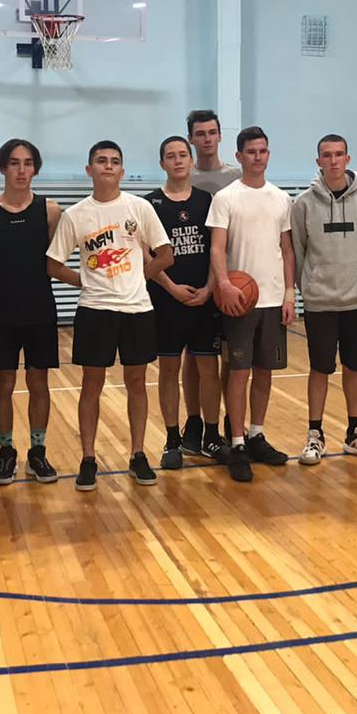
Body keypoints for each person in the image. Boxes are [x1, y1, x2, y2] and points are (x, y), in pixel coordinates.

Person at [45, 141, 174, 491]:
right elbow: (53, 265)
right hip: (95, 310)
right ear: (90, 170)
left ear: (122, 170)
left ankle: (137, 454)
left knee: (137, 383)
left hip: (136, 309)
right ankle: (88, 458)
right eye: (101, 161)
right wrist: (85, 280)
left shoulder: (140, 207)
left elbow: (166, 255)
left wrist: (138, 278)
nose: (108, 166)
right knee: (92, 384)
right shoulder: (76, 215)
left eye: (114, 161)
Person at [0, 138, 62, 485]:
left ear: (35, 168)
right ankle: (7, 451)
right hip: (0, 312)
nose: (21, 170)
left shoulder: (50, 210)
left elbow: (53, 260)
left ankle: (38, 452)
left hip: (39, 308)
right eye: (14, 163)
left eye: (28, 163)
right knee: (4, 383)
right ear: (2, 167)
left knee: (39, 381)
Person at [291, 135, 357, 465]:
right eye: (327, 155)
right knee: (320, 369)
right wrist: (310, 286)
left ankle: (355, 433)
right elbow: (299, 252)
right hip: (320, 301)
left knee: (354, 367)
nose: (333, 160)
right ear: (318, 161)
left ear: (348, 159)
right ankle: (315, 434)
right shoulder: (303, 204)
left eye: (339, 154)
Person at [208, 126, 296, 482]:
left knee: (264, 371)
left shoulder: (281, 198)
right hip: (240, 301)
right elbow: (217, 248)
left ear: (268, 155)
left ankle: (257, 434)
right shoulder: (226, 197)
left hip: (273, 300)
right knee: (238, 372)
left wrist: (289, 294)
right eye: (251, 151)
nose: (258, 157)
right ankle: (238, 441)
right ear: (239, 156)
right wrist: (224, 284)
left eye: (263, 151)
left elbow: (287, 250)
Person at [145, 136, 226, 469]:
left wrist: (209, 288)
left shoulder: (208, 201)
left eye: (182, 155)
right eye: (171, 156)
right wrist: (172, 288)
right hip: (166, 301)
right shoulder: (149, 204)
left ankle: (211, 435)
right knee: (168, 369)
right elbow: (147, 255)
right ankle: (172, 439)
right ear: (162, 163)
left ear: (191, 161)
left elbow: (217, 250)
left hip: (204, 301)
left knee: (208, 368)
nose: (178, 160)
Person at [184, 109, 242, 448]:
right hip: (196, 280)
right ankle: (195, 422)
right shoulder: (184, 176)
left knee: (230, 357)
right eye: (200, 133)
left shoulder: (236, 177)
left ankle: (229, 421)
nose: (207, 139)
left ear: (220, 135)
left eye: (212, 132)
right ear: (191, 138)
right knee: (194, 358)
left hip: (232, 279)